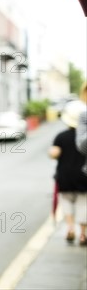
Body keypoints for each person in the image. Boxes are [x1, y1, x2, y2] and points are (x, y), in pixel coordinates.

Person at [49, 99, 87, 246]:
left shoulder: (61, 136)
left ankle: (70, 228)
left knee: (66, 203)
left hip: (65, 177)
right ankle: (83, 234)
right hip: (84, 177)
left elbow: (54, 153)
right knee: (83, 204)